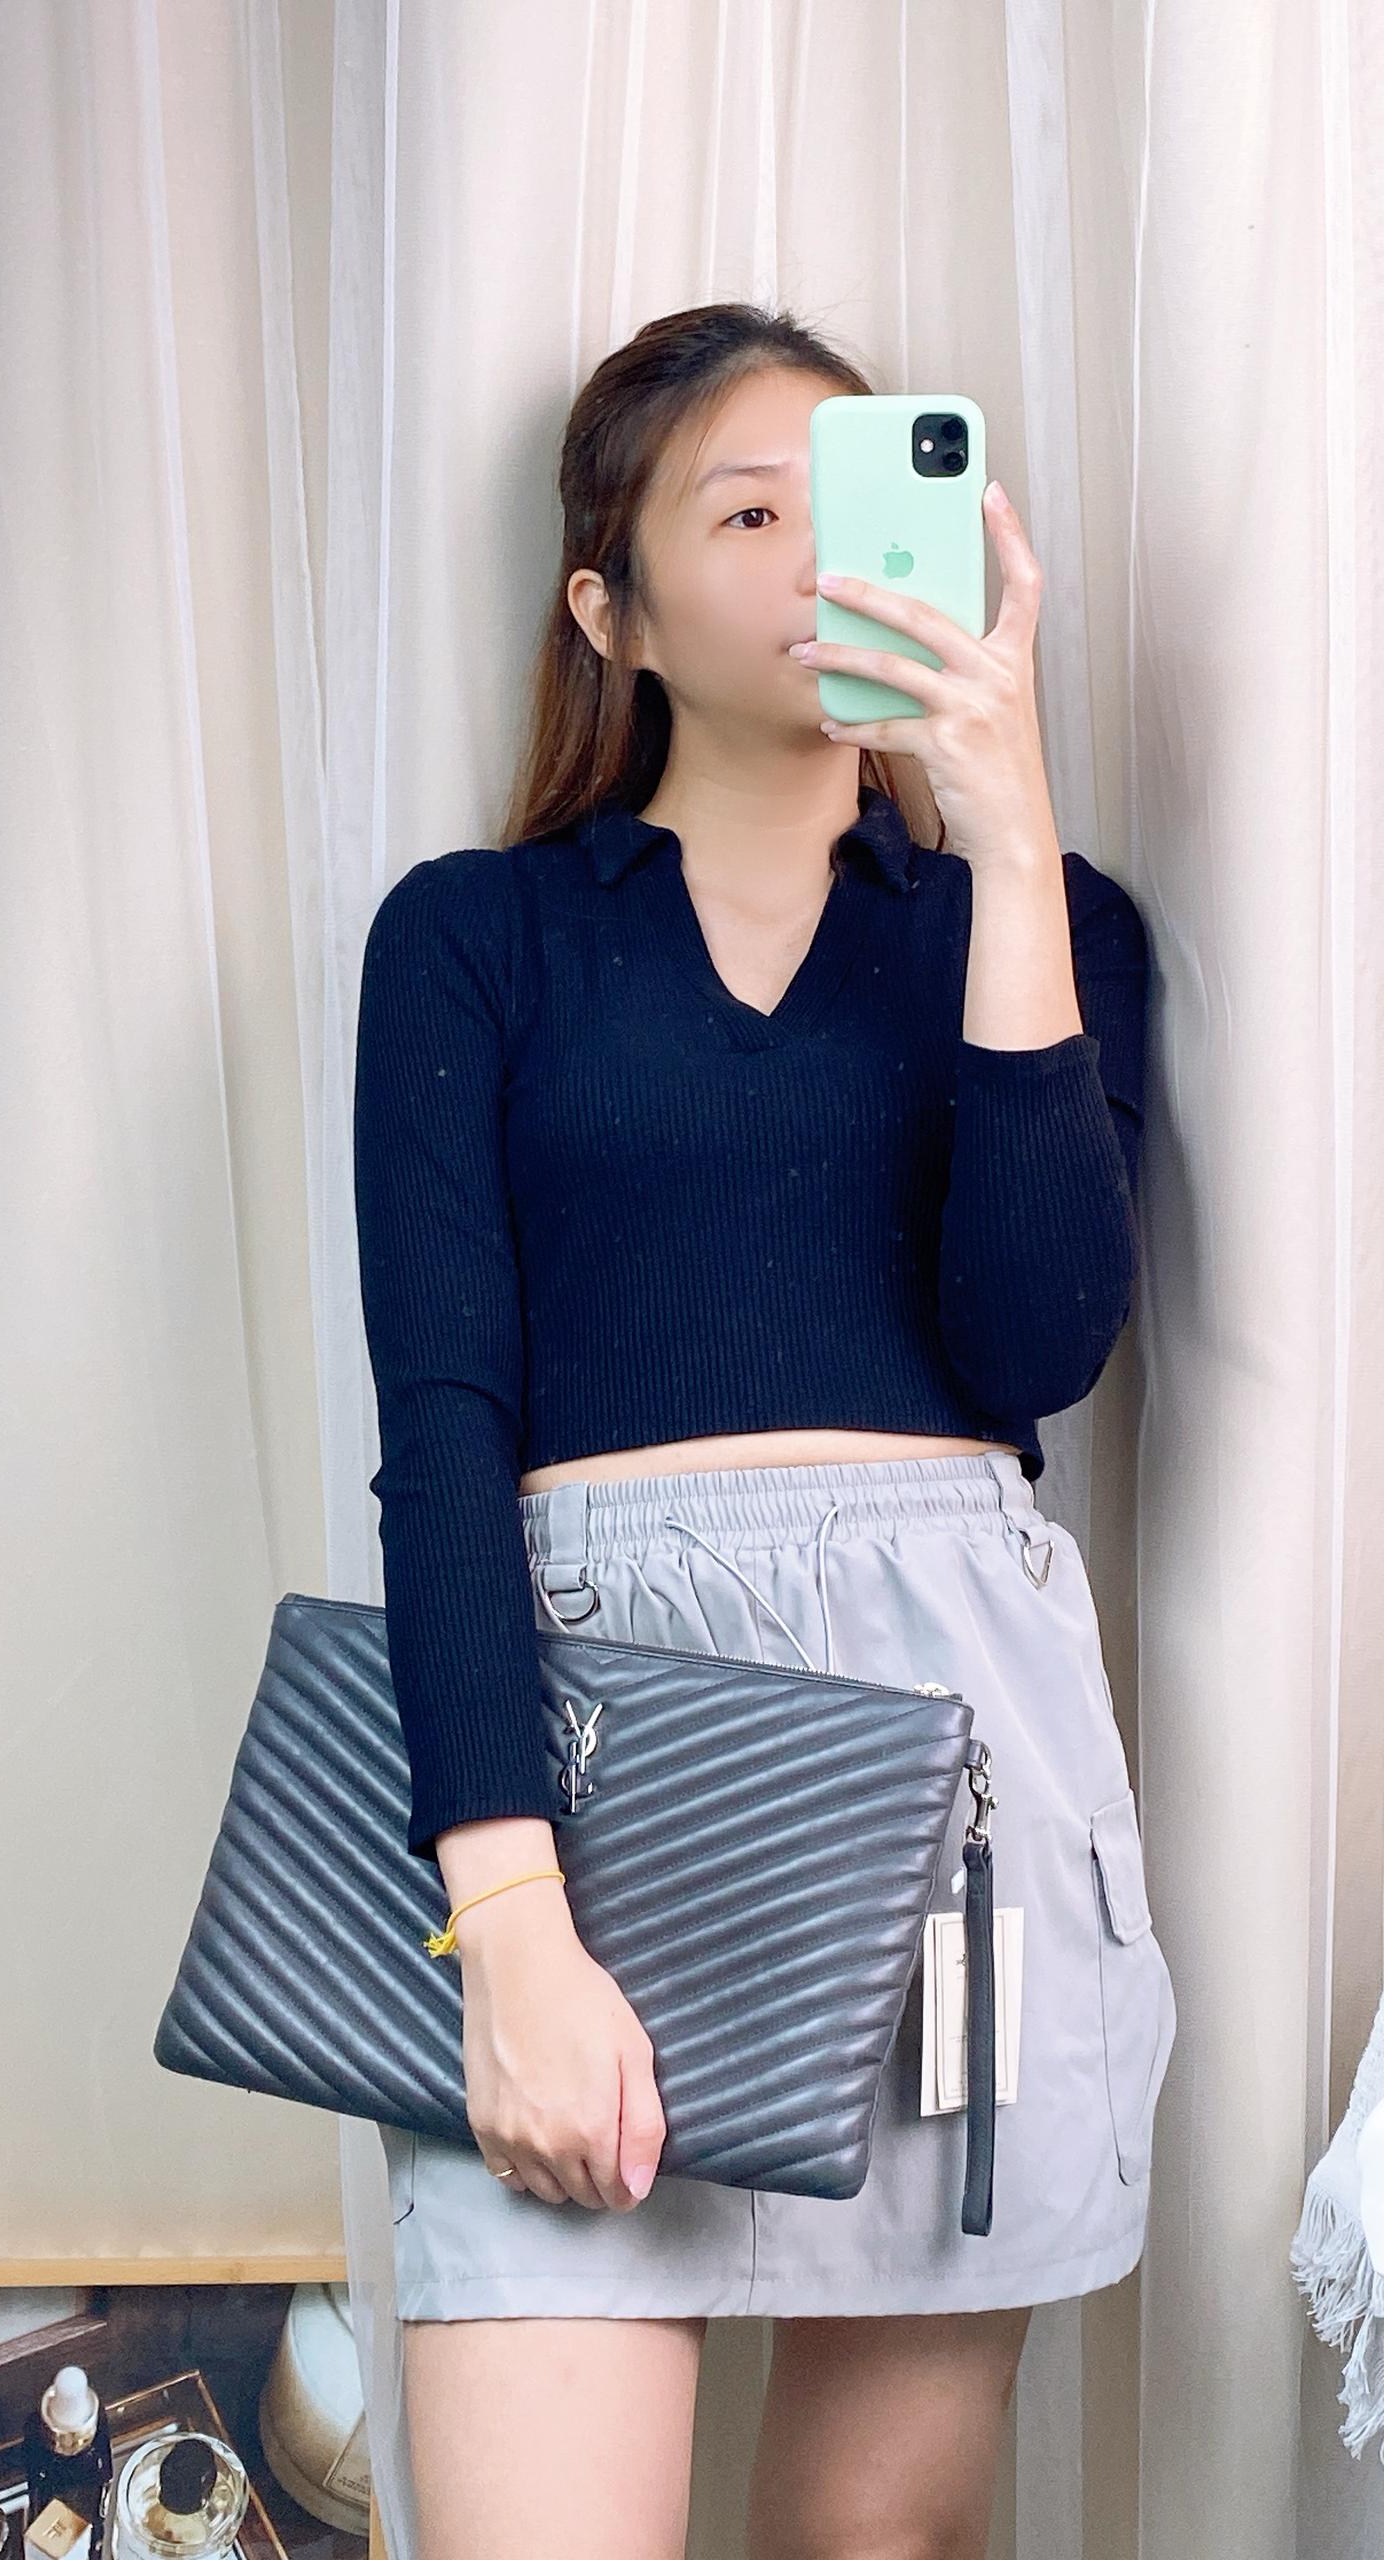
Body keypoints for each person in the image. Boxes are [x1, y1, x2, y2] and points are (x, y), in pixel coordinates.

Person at [350, 301, 1178, 2560]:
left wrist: (1011, 841)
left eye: (858, 498)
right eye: (748, 512)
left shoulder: (1052, 923)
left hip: (954, 1760)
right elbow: (443, 1436)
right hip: (582, 1768)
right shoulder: (475, 940)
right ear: (609, 609)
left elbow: (1035, 1346)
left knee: (873, 2540)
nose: (823, 552)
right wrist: (506, 1921)